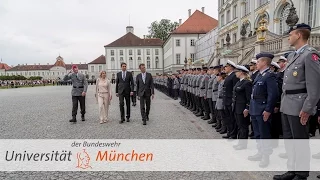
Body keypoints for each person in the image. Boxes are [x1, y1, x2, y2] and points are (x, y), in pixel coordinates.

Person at [274, 23, 320, 180]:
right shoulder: (293, 55)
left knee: (299, 141)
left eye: (291, 34)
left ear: (299, 35)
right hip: (287, 104)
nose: (289, 37)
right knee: (289, 140)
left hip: (299, 106)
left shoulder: (310, 55)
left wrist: (307, 108)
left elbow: (314, 87)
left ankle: (301, 174)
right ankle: (292, 170)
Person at [248, 52, 278, 168]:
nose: (257, 63)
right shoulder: (259, 75)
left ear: (265, 62)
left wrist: (268, 110)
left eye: (259, 61)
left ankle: (266, 157)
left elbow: (273, 94)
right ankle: (260, 152)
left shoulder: (269, 75)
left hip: (262, 109)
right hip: (255, 108)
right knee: (257, 133)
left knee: (264, 134)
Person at [232, 65, 252, 150]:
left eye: (237, 72)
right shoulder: (239, 81)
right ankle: (240, 142)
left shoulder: (247, 83)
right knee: (240, 125)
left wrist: (247, 108)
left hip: (243, 108)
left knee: (243, 126)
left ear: (241, 72)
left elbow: (249, 97)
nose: (235, 73)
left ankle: (243, 144)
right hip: (237, 107)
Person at [222, 60, 239, 139]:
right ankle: (229, 132)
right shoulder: (228, 76)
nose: (225, 68)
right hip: (226, 100)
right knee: (228, 118)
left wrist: (233, 101)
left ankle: (233, 134)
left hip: (230, 101)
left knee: (232, 119)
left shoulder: (234, 76)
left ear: (231, 67)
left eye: (226, 67)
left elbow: (234, 90)